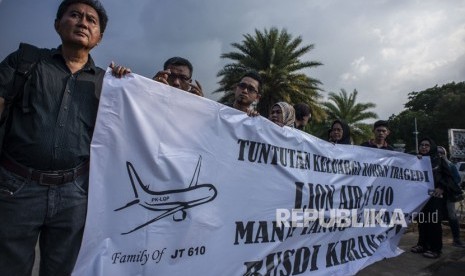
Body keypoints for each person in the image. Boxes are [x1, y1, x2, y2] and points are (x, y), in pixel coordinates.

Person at [0, 1, 126, 275]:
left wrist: (135, 87)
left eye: (92, 20)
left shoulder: (109, 84)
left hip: (75, 194)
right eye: (75, 15)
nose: (83, 22)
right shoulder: (25, 62)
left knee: (64, 270)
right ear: (58, 24)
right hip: (16, 188)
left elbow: (134, 128)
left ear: (99, 37)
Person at [411, 138, 450, 259]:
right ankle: (422, 245)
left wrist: (441, 188)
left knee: (434, 222)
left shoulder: (438, 160)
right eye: (422, 145)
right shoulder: (417, 160)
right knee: (422, 222)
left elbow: (448, 177)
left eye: (427, 145)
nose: (423, 147)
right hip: (421, 198)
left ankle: (435, 249)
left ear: (432, 147)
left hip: (435, 197)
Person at [438, 146, 465, 247]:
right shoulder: (432, 164)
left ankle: (456, 239)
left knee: (452, 216)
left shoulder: (451, 165)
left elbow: (457, 179)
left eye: (441, 152)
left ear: (445, 154)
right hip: (435, 195)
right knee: (436, 217)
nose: (439, 154)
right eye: (437, 152)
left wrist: (445, 185)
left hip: (448, 195)